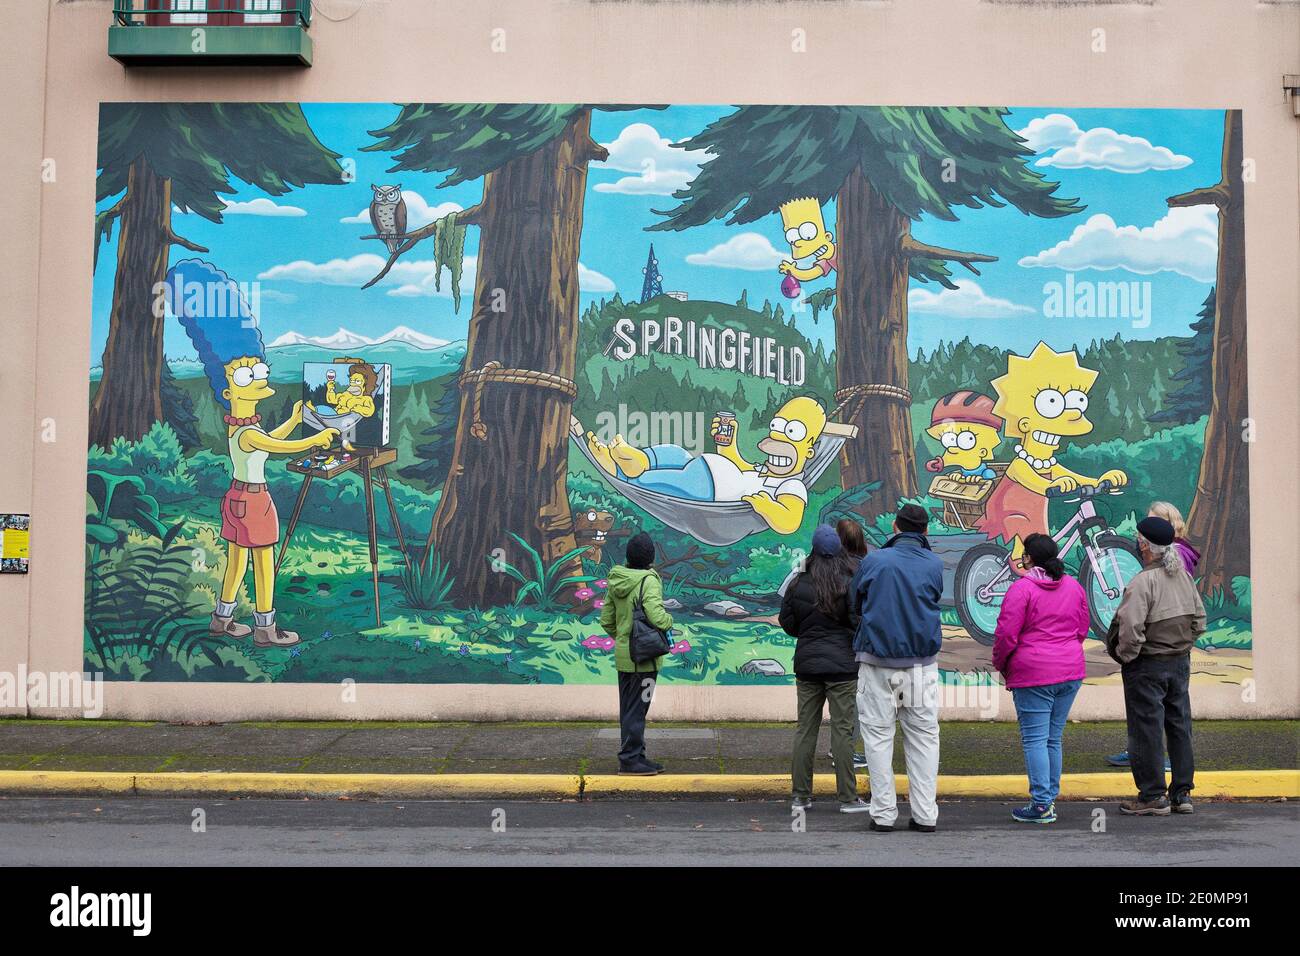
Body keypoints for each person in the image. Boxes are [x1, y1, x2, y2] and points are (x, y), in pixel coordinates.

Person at [849, 503, 944, 832]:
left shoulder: (874, 560)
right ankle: (925, 815)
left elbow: (853, 601)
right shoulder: (934, 563)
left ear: (895, 525)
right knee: (923, 739)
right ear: (926, 531)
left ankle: (884, 814)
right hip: (921, 667)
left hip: (877, 663)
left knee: (877, 738)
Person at [1107, 516, 1207, 815]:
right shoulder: (1184, 578)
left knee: (1146, 730)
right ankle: (1182, 795)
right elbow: (1199, 622)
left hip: (1147, 665)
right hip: (1179, 662)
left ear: (1144, 546)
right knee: (1179, 725)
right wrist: (1181, 646)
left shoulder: (1141, 582)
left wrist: (1129, 656)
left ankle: (1152, 796)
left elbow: (1130, 628)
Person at [992, 533, 1090, 823]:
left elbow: (1006, 635)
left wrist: (1002, 664)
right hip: (1070, 671)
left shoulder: (1022, 589)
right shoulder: (1073, 586)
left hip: (1034, 674)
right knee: (1052, 738)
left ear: (1030, 558)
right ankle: (1049, 799)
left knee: (1035, 739)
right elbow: (1082, 627)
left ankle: (1041, 804)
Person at [780, 525, 871, 815]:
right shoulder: (850, 579)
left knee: (805, 730)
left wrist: (808, 633)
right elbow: (858, 619)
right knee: (842, 731)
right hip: (843, 667)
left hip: (807, 664)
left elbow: (788, 621)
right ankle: (847, 798)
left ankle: (800, 796)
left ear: (814, 550)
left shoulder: (798, 581)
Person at [600, 532, 675, 776]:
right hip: (644, 658)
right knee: (638, 709)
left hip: (625, 657)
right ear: (650, 557)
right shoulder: (648, 580)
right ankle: (630, 759)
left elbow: (606, 620)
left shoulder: (616, 579)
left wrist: (623, 639)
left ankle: (636, 755)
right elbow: (656, 616)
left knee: (630, 709)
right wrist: (668, 620)